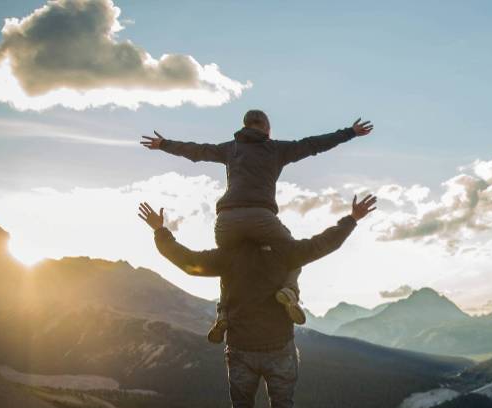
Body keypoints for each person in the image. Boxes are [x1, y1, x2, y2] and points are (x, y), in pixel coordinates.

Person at [136, 194, 377, 408]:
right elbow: (325, 243)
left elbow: (187, 262)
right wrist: (351, 219)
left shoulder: (228, 257)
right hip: (279, 346)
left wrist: (160, 230)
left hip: (240, 347)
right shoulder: (285, 251)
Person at [141, 110, 373, 343]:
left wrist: (164, 144)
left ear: (245, 125)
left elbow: (198, 151)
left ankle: (223, 314)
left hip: (227, 222)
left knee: (228, 261)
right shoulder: (276, 149)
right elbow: (313, 144)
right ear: (267, 127)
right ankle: (290, 291)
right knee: (294, 253)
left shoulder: (230, 148)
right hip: (261, 217)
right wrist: (350, 133)